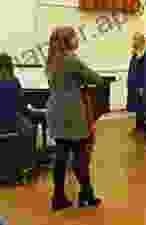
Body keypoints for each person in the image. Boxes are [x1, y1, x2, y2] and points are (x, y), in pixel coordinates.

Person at [45, 26, 103, 210]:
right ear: (67, 41)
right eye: (75, 37)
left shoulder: (51, 60)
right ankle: (87, 195)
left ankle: (58, 197)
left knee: (60, 155)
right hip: (73, 113)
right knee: (80, 156)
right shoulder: (72, 60)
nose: (77, 39)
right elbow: (96, 79)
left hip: (55, 110)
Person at [127, 32, 146, 132]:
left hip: (141, 83)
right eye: (134, 39)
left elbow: (144, 71)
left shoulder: (145, 53)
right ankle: (138, 125)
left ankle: (143, 126)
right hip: (134, 83)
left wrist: (142, 85)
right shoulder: (134, 53)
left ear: (141, 40)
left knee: (142, 106)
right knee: (137, 106)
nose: (134, 41)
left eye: (136, 39)